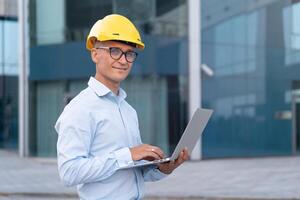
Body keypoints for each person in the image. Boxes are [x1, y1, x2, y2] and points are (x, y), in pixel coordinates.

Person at [55, 14, 189, 200]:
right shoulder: (80, 108)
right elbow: (69, 172)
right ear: (95, 54)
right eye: (115, 51)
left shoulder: (128, 111)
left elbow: (131, 172)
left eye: (129, 53)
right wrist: (128, 154)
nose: (124, 60)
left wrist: (163, 169)